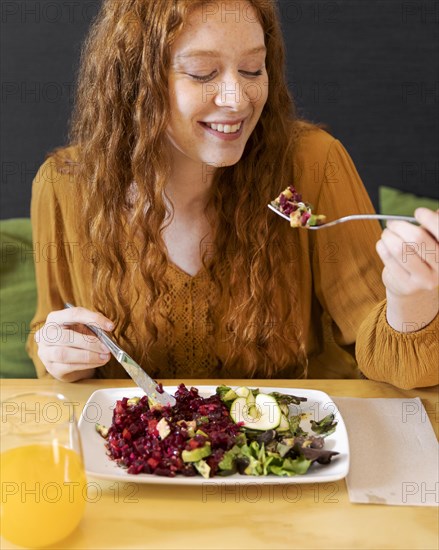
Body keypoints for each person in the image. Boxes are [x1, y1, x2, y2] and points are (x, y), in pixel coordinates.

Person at [27, 0, 438, 389]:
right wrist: (58, 352)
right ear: (135, 80)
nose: (237, 99)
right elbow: (52, 329)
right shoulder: (65, 185)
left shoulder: (312, 164)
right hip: (131, 459)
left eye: (252, 69)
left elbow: (390, 363)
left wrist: (413, 304)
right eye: (203, 73)